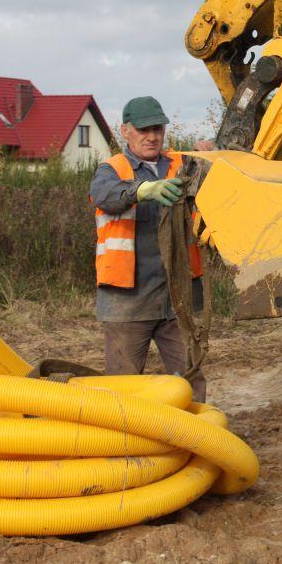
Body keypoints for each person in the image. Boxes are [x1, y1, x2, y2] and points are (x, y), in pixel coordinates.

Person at [90, 96, 206, 401]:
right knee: (123, 387)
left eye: (157, 128)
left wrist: (213, 152)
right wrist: (142, 190)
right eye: (144, 130)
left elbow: (219, 175)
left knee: (190, 381)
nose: (152, 136)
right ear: (125, 131)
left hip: (177, 297)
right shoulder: (111, 170)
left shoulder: (184, 164)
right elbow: (105, 195)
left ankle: (194, 442)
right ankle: (124, 446)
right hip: (127, 300)